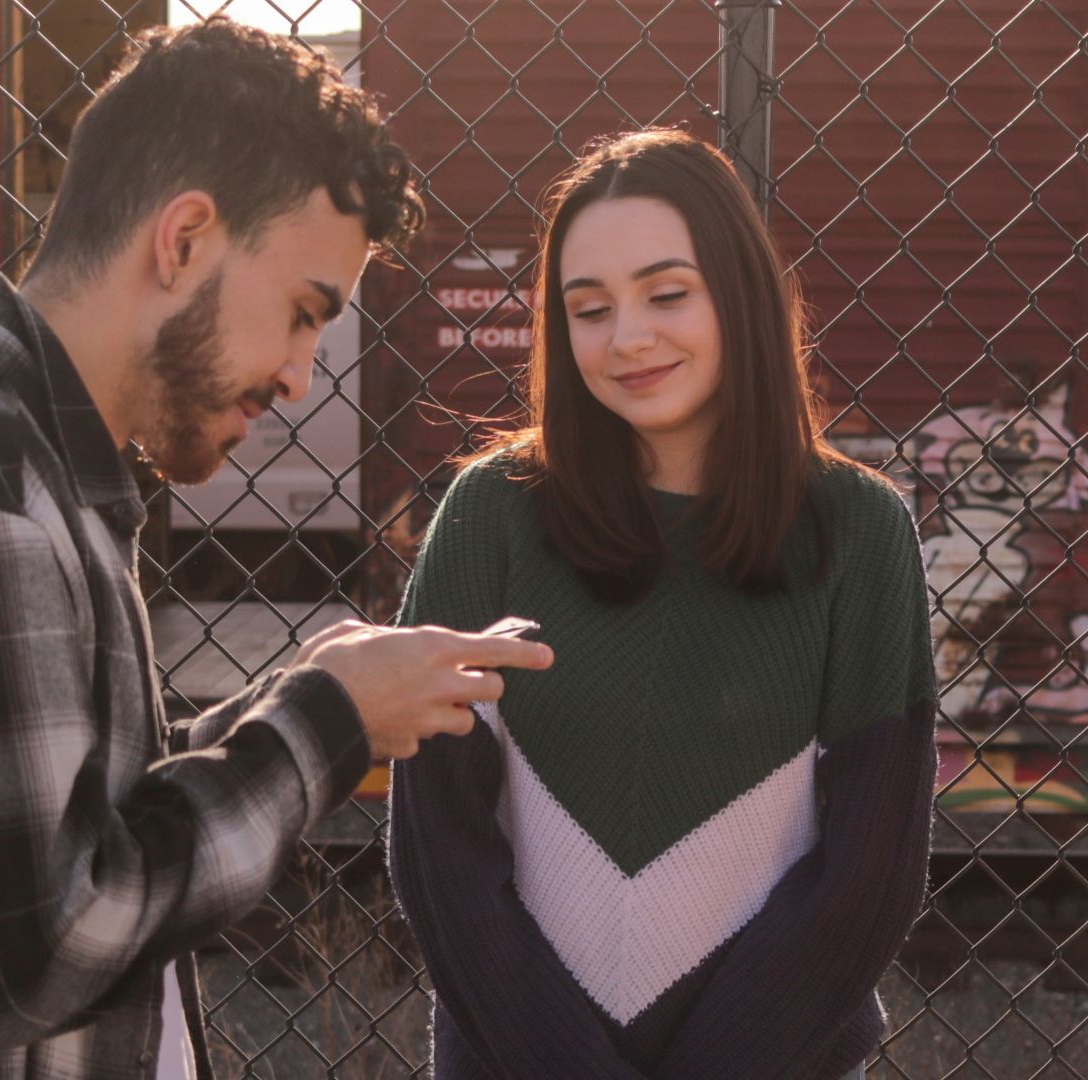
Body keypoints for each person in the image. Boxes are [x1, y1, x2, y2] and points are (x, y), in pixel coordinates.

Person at [0, 20, 552, 1079]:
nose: (298, 374)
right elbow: (45, 952)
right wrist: (326, 724)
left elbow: (79, 804)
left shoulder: (22, 460)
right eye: (300, 312)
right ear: (183, 239)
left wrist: (301, 693)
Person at [385, 129, 938, 1079]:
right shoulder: (488, 517)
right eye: (587, 309)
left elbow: (868, 875)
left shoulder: (862, 532)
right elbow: (439, 851)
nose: (627, 336)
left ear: (741, 294)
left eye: (667, 293)